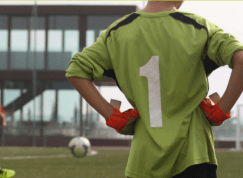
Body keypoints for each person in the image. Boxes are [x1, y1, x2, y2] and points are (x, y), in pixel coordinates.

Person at [66, 1, 243, 178]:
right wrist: (221, 110)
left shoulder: (117, 32)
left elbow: (76, 71)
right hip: (193, 155)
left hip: (143, 160)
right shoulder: (199, 27)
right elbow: (240, 59)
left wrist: (113, 116)